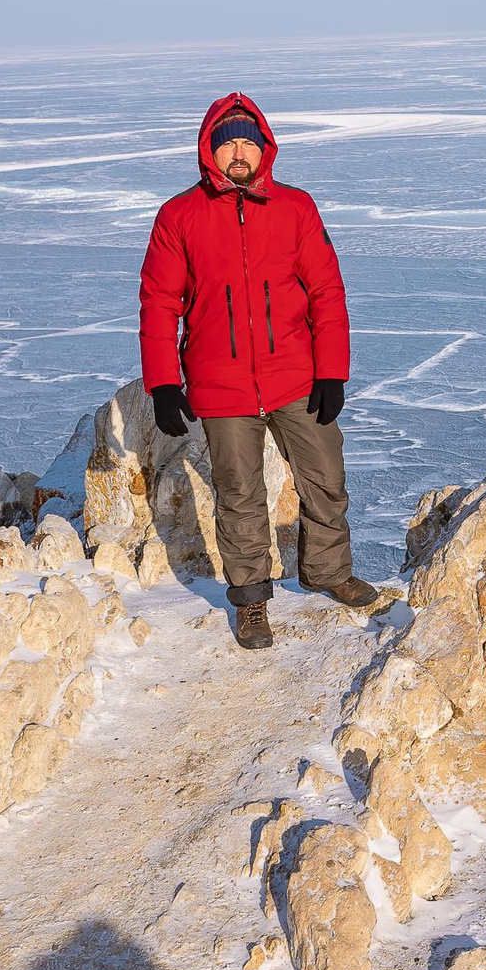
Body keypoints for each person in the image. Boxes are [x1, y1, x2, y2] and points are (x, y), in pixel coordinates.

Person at [137, 93, 380, 647]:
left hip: (295, 374)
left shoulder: (296, 207)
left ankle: (328, 572)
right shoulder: (180, 215)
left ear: (264, 148)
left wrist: (332, 371)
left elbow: (325, 290)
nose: (238, 153)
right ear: (210, 153)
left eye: (248, 141)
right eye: (228, 144)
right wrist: (163, 383)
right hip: (220, 384)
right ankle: (251, 601)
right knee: (240, 492)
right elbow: (159, 302)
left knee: (325, 476)